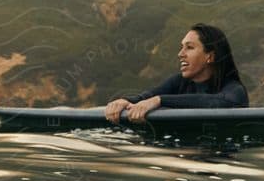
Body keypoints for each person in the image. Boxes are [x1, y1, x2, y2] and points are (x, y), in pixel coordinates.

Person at [104, 23, 249, 121]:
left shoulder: (234, 89)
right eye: (181, 47)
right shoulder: (178, 82)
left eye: (189, 47)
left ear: (210, 56)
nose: (180, 54)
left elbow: (222, 103)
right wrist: (125, 101)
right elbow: (146, 97)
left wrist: (160, 100)